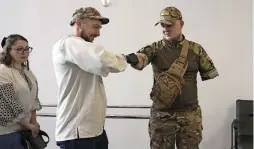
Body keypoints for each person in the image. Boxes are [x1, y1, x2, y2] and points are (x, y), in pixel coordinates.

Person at [130, 7, 219, 149]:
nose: (165, 28)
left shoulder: (196, 50)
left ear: (181, 24)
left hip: (189, 115)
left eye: (169, 24)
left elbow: (209, 73)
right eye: (162, 25)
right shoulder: (154, 48)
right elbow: (141, 60)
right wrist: (132, 59)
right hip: (162, 116)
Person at [52, 7, 139, 149]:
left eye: (100, 28)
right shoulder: (68, 44)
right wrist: (127, 59)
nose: (98, 33)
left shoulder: (83, 50)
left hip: (94, 130)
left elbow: (102, 57)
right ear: (79, 23)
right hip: (77, 133)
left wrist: (124, 59)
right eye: (95, 27)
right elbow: (102, 59)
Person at [0, 34, 42, 149]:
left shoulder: (26, 70)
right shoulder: (3, 71)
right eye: (19, 49)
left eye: (27, 49)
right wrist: (28, 125)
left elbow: (34, 99)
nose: (24, 52)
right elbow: (9, 104)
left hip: (26, 130)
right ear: (8, 50)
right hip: (7, 132)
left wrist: (34, 122)